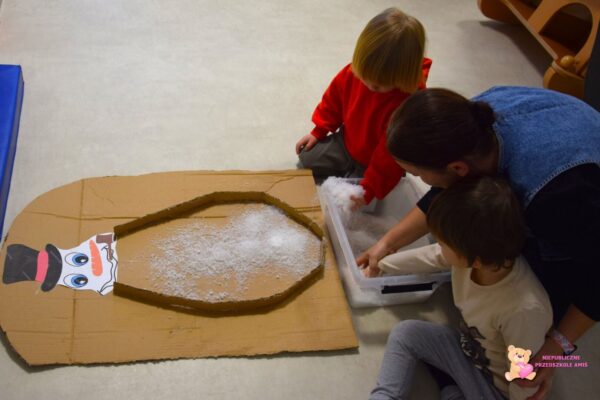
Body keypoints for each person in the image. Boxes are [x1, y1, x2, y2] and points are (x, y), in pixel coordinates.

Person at [358, 86, 600, 399]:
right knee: (462, 226)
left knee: (544, 305)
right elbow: (445, 196)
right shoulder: (466, 122)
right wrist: (387, 245)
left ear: (458, 168)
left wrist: (555, 350)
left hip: (582, 194)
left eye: (417, 174)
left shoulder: (557, 199)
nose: (420, 181)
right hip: (570, 149)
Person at [368, 176, 552, 400]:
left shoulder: (523, 309)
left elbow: (524, 376)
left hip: (495, 389)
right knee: (406, 332)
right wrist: (382, 264)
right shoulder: (478, 257)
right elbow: (433, 256)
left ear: (474, 260)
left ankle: (452, 391)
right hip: (470, 352)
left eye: (443, 243)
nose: (439, 247)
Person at [295, 7, 432, 208]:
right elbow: (334, 100)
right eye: (364, 76)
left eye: (378, 85)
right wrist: (319, 130)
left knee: (364, 204)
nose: (368, 85)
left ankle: (355, 178)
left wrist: (369, 189)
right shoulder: (354, 72)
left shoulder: (408, 106)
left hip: (376, 162)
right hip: (346, 143)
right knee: (307, 158)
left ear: (404, 75)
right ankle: (348, 172)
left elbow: (389, 157)